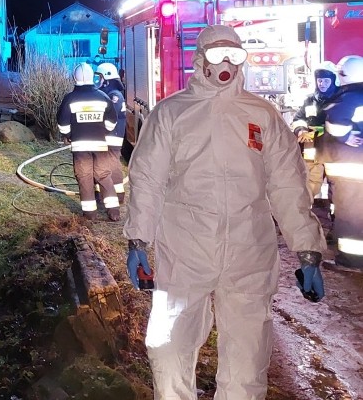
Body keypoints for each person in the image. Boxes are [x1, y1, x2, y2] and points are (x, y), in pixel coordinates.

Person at [123, 24, 326, 400]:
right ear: (200, 60)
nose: (226, 64)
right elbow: (147, 179)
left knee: (247, 361)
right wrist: (138, 238)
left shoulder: (262, 115)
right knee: (168, 345)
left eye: (234, 55)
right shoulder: (172, 114)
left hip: (249, 251)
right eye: (217, 55)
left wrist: (308, 248)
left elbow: (287, 185)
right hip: (186, 249)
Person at [57, 62, 120, 221]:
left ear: (74, 78)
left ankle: (90, 214)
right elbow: (112, 122)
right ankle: (114, 212)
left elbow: (62, 125)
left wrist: (69, 135)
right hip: (100, 145)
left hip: (80, 146)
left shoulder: (69, 99)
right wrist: (102, 131)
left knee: (84, 177)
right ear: (92, 77)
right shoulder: (103, 97)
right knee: (104, 175)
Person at [322, 54, 363, 271]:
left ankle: (351, 260)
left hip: (352, 170)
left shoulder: (349, 98)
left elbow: (335, 123)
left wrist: (345, 137)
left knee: (351, 217)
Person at [290, 61, 338, 199]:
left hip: (333, 148)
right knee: (311, 182)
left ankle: (335, 213)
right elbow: (299, 118)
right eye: (320, 80)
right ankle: (308, 209)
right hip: (312, 147)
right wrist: (300, 130)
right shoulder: (310, 100)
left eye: (326, 81)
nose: (322, 84)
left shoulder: (340, 99)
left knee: (335, 183)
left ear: (334, 81)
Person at [95, 62, 127, 203]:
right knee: (100, 163)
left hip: (112, 136)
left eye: (100, 77)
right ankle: (101, 192)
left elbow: (109, 116)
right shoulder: (110, 94)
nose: (98, 81)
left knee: (112, 163)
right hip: (108, 136)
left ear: (107, 79)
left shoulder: (115, 96)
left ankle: (118, 194)